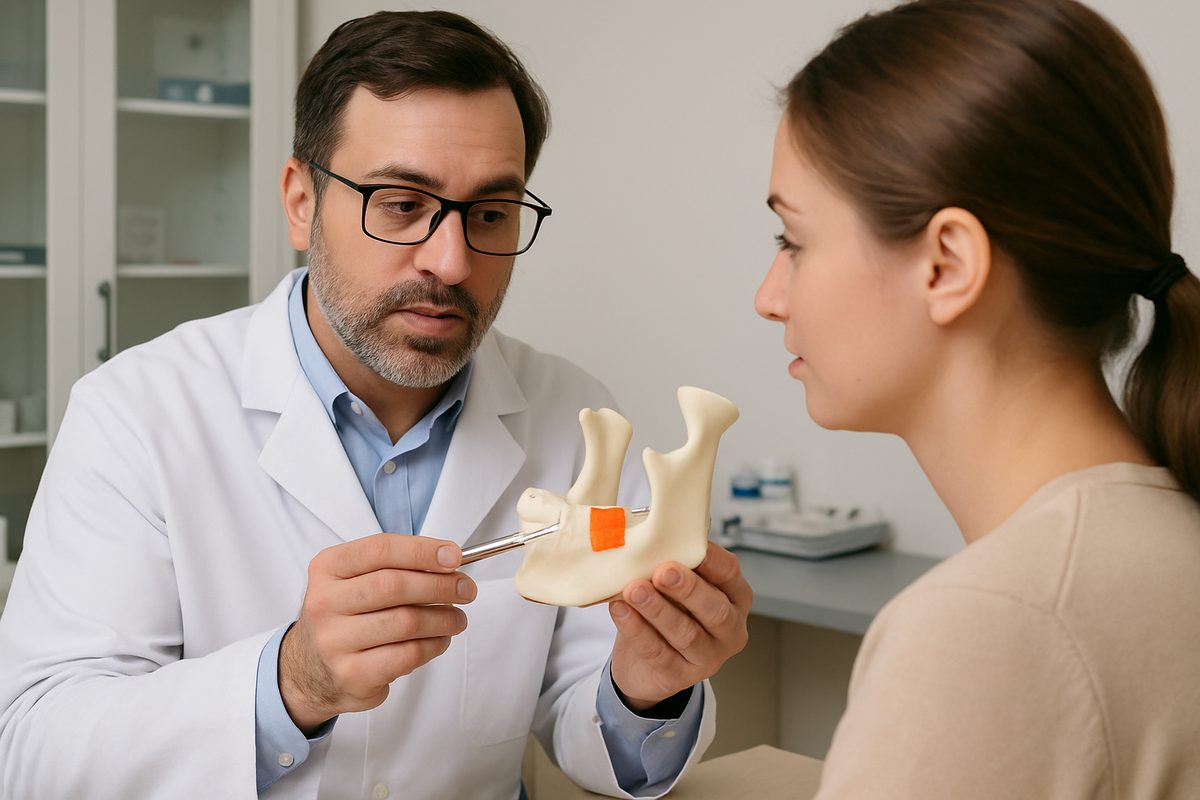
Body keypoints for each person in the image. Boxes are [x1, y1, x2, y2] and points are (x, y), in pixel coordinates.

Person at [0, 11, 751, 799]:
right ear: (300, 200)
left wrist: (647, 687)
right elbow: (35, 749)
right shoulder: (138, 413)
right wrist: (291, 684)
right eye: (400, 204)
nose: (452, 261)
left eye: (490, 213)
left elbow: (585, 725)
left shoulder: (576, 417)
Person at [755, 0, 1200, 796]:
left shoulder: (991, 623)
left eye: (794, 241)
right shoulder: (1167, 534)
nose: (769, 297)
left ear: (948, 264)